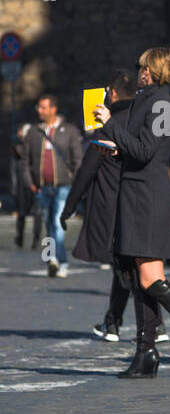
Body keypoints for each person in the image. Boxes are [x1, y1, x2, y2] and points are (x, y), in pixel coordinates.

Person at [93, 48, 170, 379]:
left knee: (151, 278)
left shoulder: (161, 101)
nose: (137, 71)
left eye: (140, 66)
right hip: (137, 192)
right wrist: (118, 147)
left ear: (151, 71)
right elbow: (141, 148)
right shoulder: (151, 98)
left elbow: (148, 151)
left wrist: (110, 125)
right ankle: (145, 352)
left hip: (148, 197)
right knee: (138, 279)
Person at [60, 71, 167, 344]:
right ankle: (117, 323)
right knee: (132, 267)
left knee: (130, 268)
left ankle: (144, 327)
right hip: (145, 200)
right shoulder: (142, 119)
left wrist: (69, 206)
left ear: (114, 94)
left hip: (115, 205)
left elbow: (87, 170)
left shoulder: (111, 124)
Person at [17, 94, 83, 277]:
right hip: (42, 186)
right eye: (39, 107)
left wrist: (78, 182)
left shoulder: (68, 130)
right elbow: (25, 161)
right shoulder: (33, 133)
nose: (40, 110)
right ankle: (51, 258)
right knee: (48, 224)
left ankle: (60, 260)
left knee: (57, 222)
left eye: (43, 107)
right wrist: (30, 183)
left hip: (64, 185)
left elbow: (78, 159)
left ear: (53, 109)